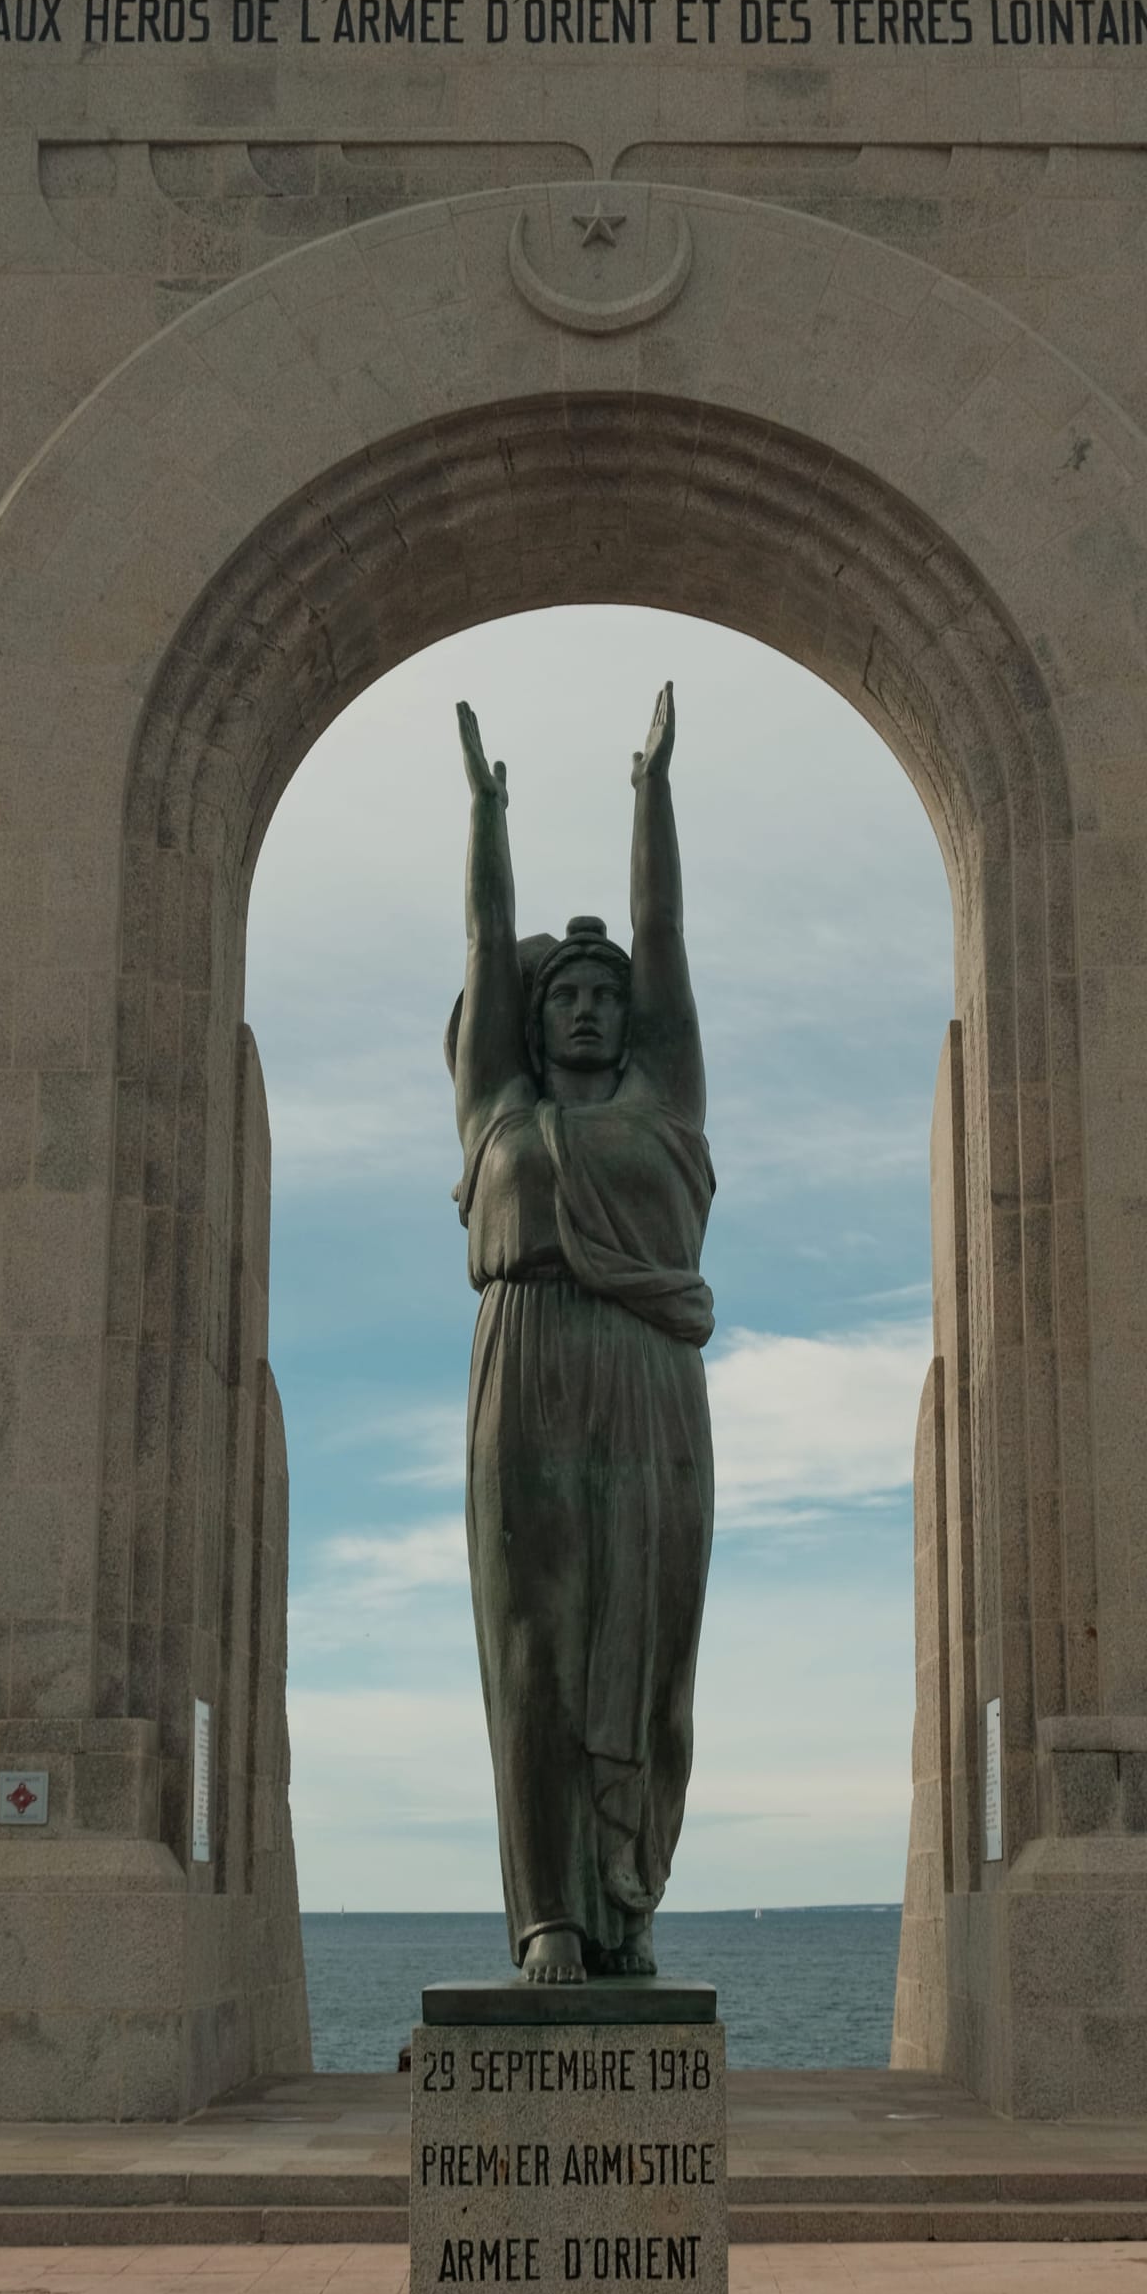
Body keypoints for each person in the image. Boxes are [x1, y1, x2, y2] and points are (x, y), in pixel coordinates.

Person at [448, 682, 714, 1983]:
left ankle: (626, 1893)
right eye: (568, 996)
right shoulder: (495, 1107)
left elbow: (662, 936)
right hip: (529, 1359)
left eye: (608, 996)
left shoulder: (668, 1099)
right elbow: (486, 936)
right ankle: (546, 1912)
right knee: (534, 1644)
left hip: (652, 1377)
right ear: (534, 1016)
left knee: (651, 1650)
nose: (593, 1009)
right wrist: (488, 820)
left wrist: (649, 791)